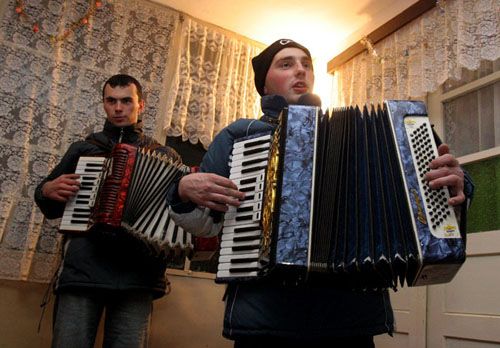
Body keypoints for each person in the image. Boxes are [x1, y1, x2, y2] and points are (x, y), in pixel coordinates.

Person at [168, 39, 474, 347]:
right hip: (265, 319)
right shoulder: (240, 136)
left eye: (306, 64)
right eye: (286, 64)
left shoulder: (357, 134)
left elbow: (439, 192)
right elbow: (205, 224)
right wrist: (182, 192)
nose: (300, 70)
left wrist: (456, 182)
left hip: (351, 319)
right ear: (264, 83)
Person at [35, 74, 180, 348]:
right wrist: (46, 190)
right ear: (103, 104)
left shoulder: (164, 156)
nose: (118, 108)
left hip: (138, 278)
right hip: (83, 272)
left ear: (141, 105)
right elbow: (51, 205)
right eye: (111, 101)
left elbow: (175, 218)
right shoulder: (83, 149)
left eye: (126, 101)